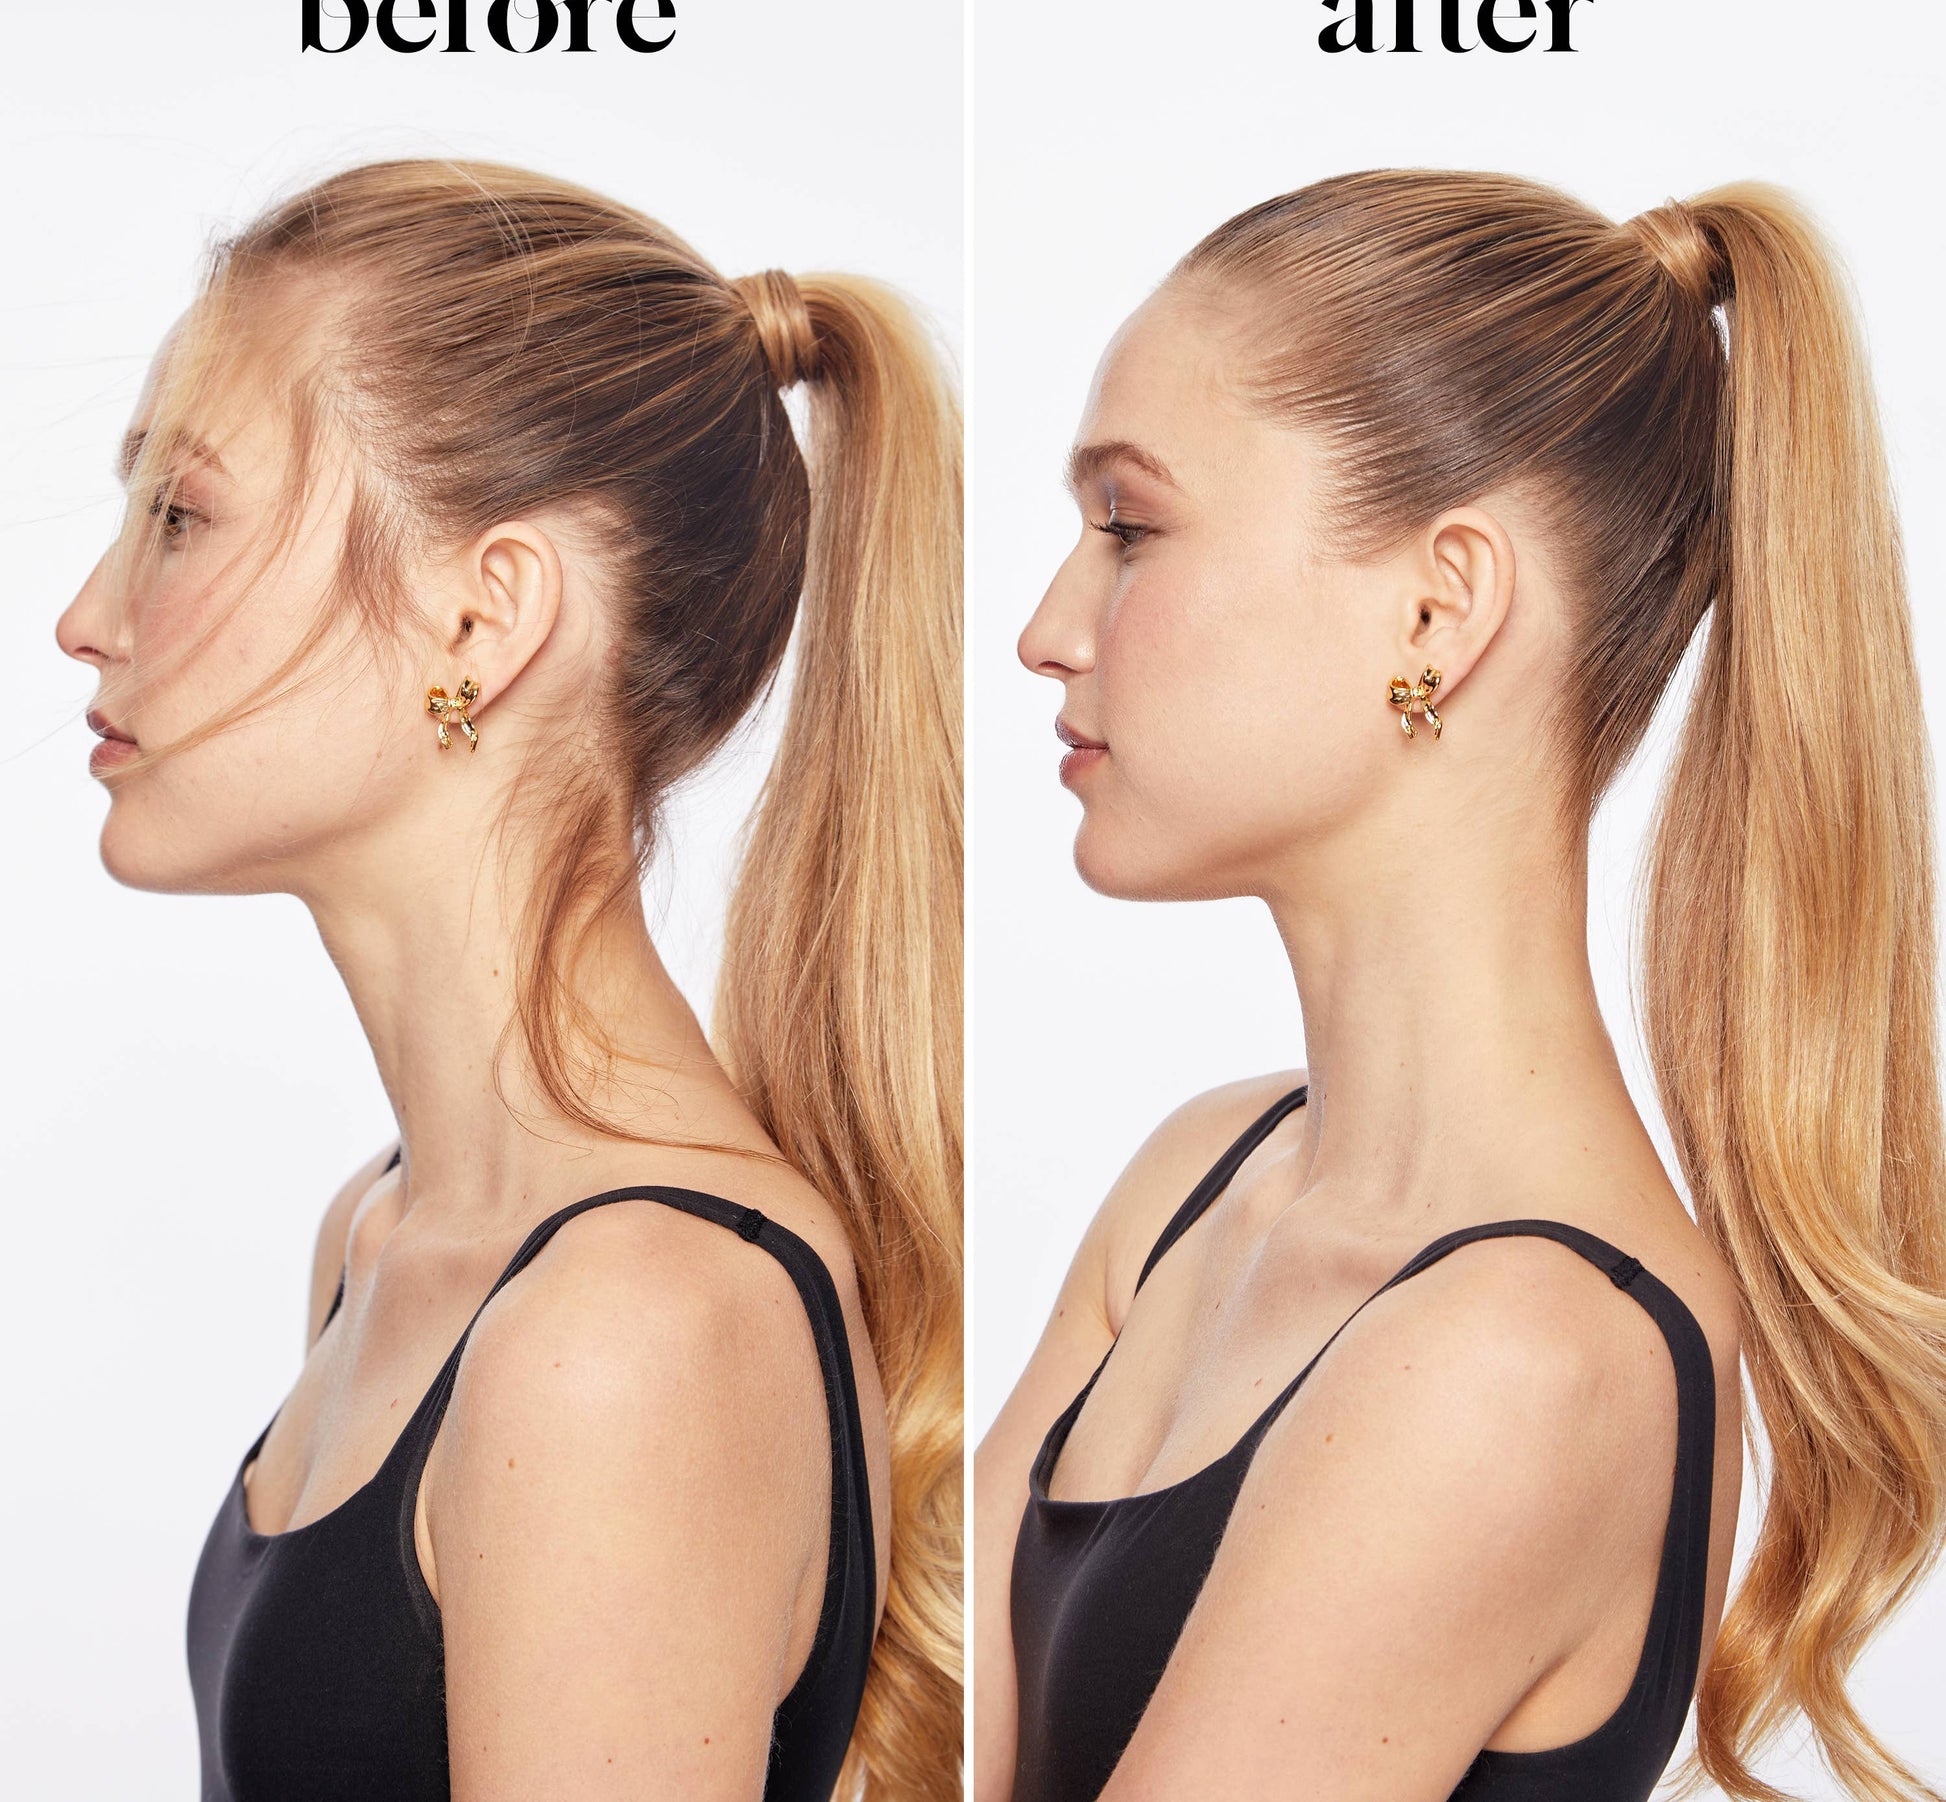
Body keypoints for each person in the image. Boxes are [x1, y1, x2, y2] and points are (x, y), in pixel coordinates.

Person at [974, 170, 1946, 1802]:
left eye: (1130, 527)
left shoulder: (1525, 1349)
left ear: (1437, 606)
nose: (1046, 628)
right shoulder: (1197, 1183)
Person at [56, 157, 962, 1802]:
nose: (87, 614)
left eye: (179, 517)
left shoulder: (627, 1324)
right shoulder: (388, 1230)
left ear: (483, 619)